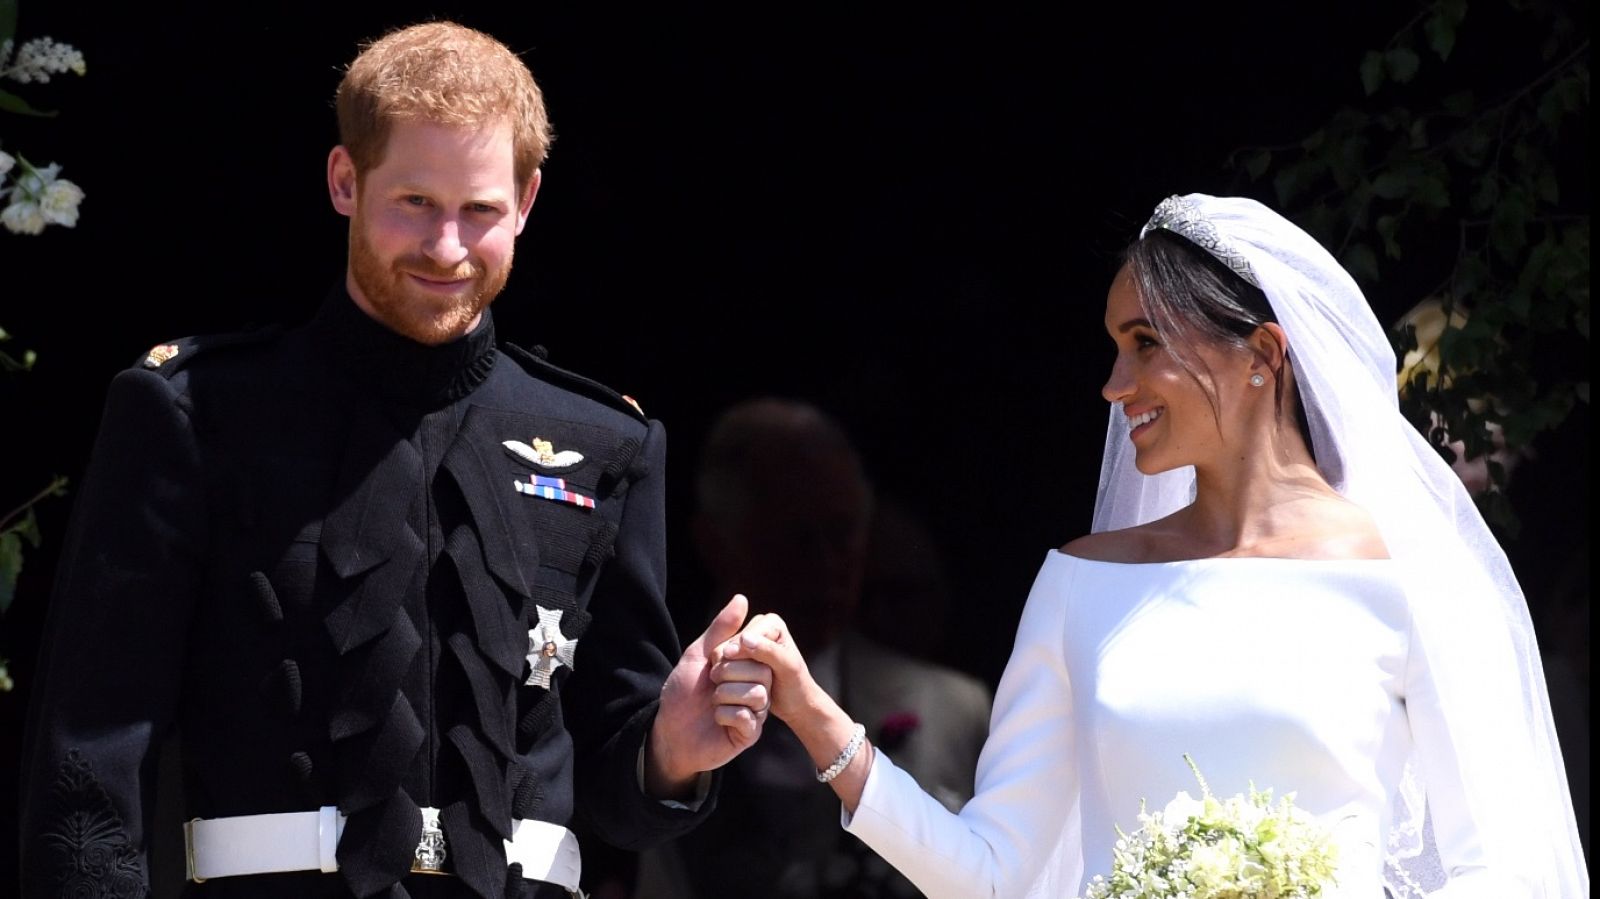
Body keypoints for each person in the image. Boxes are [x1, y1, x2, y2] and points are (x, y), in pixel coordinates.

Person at [18, 21, 771, 899]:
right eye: (415, 201)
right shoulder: (195, 413)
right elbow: (89, 768)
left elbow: (614, 791)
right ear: (346, 180)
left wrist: (672, 752)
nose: (447, 246)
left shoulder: (610, 444)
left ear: (526, 201)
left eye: (481, 210)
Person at [722, 193, 1589, 897]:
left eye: (1146, 345)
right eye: (1112, 348)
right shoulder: (1079, 585)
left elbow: (1503, 866)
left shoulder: (1410, 579)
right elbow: (990, 873)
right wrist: (816, 718)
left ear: (1262, 354)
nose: (1113, 384)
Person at [636, 397, 992, 898]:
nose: (825, 564)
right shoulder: (643, 699)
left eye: (841, 534)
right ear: (715, 541)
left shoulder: (953, 709)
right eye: (795, 536)